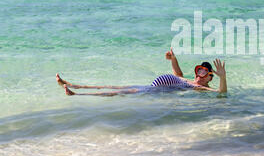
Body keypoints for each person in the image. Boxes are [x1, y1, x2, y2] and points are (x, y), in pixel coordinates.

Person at [57, 48, 227, 96]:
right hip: (150, 86)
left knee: (119, 92)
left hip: (154, 91)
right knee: (115, 86)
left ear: (209, 77)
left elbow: (220, 92)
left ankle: (77, 94)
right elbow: (177, 74)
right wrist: (173, 59)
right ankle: (73, 85)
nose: (199, 74)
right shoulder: (189, 80)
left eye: (204, 72)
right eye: (198, 70)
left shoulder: (200, 88)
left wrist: (223, 77)